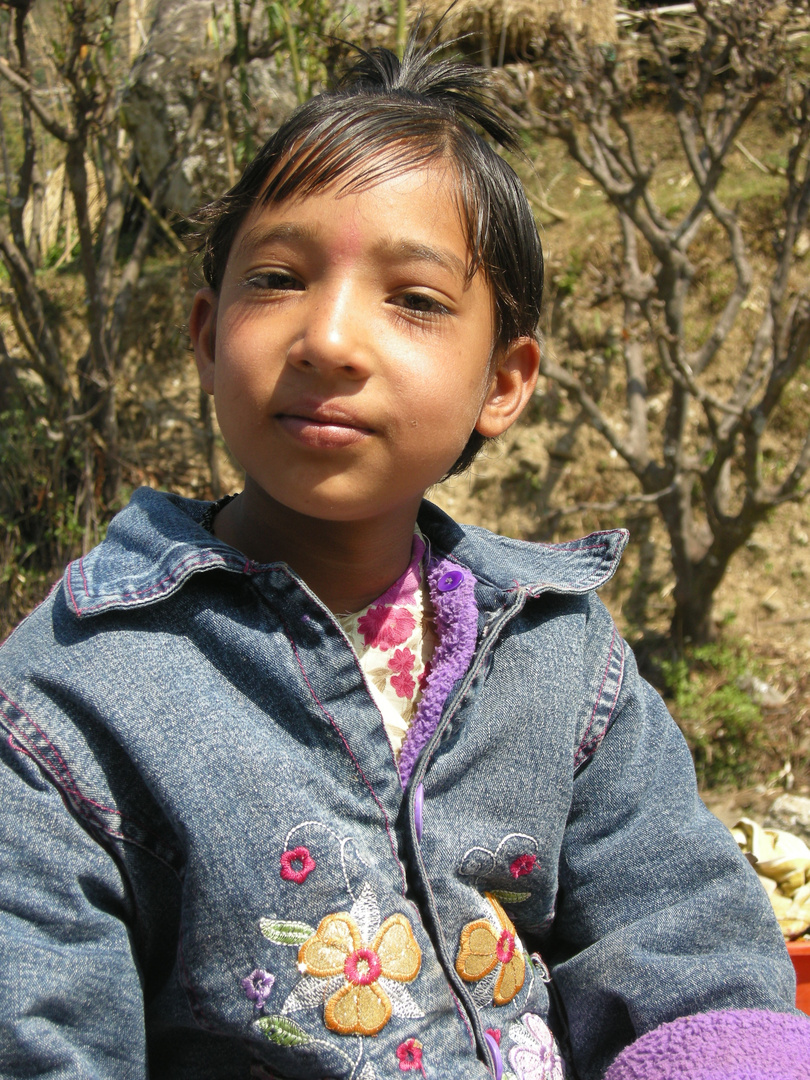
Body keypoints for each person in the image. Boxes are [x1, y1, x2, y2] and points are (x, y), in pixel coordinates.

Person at [0, 27, 807, 1080]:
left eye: (416, 300)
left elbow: (684, 945)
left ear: (504, 382)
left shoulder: (563, 661)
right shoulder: (68, 700)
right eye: (278, 278)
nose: (329, 338)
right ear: (205, 335)